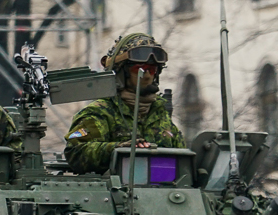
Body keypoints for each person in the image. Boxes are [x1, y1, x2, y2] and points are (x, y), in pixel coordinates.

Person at [63, 31, 186, 174]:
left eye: (152, 69)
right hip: (113, 193)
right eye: (139, 69)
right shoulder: (100, 112)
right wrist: (118, 149)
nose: (147, 75)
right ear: (122, 72)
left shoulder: (160, 113)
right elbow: (76, 153)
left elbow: (182, 161)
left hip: (162, 192)